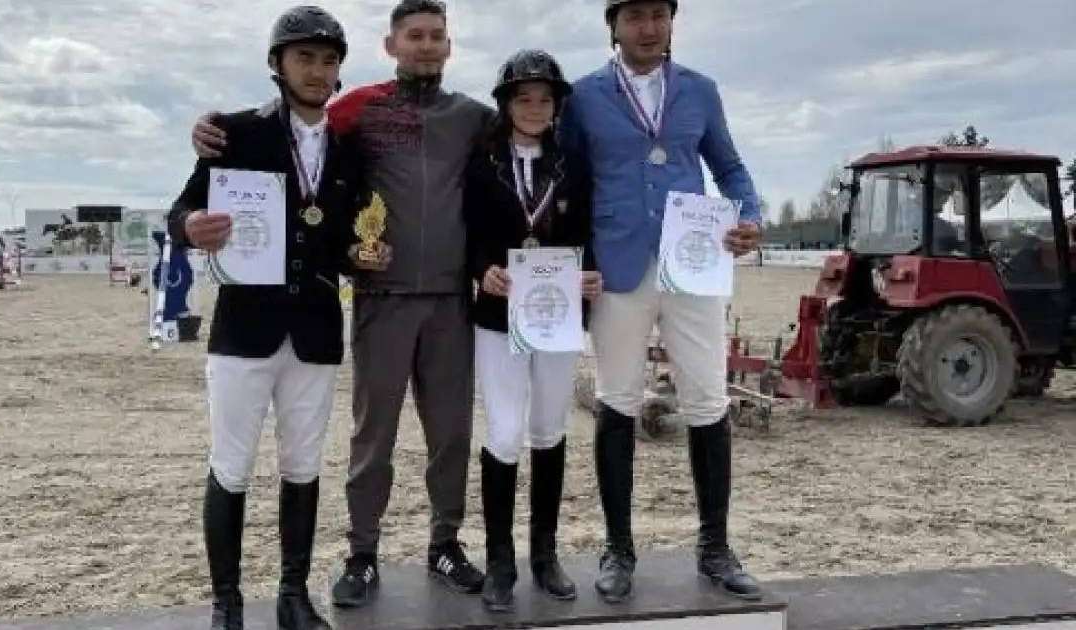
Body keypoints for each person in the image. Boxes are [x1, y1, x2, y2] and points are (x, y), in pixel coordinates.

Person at [192, 0, 494, 608]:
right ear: (392, 45)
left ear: (449, 45)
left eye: (437, 36)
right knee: (372, 437)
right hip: (379, 300)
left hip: (449, 301)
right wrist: (208, 132)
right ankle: (362, 553)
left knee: (452, 435)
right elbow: (289, 137)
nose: (427, 46)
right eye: (415, 36)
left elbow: (531, 137)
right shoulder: (354, 110)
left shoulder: (475, 118)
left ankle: (444, 543)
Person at [168, 7, 370, 629]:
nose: (317, 70)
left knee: (303, 465)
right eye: (304, 57)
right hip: (243, 330)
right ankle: (226, 603)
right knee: (231, 464)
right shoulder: (237, 133)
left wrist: (364, 256)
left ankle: (291, 595)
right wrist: (190, 229)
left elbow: (345, 243)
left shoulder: (350, 150)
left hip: (313, 330)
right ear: (277, 64)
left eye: (328, 59)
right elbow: (183, 211)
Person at [559, 0, 764, 604]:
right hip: (618, 263)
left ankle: (715, 547)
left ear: (672, 21)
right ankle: (618, 548)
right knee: (617, 399)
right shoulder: (583, 95)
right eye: (635, 17)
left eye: (658, 15)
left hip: (692, 265)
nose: (648, 28)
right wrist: (572, 258)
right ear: (613, 25)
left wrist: (749, 216)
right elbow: (568, 179)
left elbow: (728, 166)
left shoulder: (700, 90)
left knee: (707, 397)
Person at [462, 50, 602, 613]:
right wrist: (481, 271)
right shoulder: (481, 162)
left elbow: (587, 228)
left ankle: (544, 554)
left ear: (557, 105)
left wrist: (594, 274)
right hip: (500, 316)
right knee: (502, 434)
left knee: (548, 429)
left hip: (559, 313)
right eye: (524, 98)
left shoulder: (573, 160)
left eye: (545, 99)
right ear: (506, 103)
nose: (535, 108)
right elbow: (468, 232)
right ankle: (500, 560)